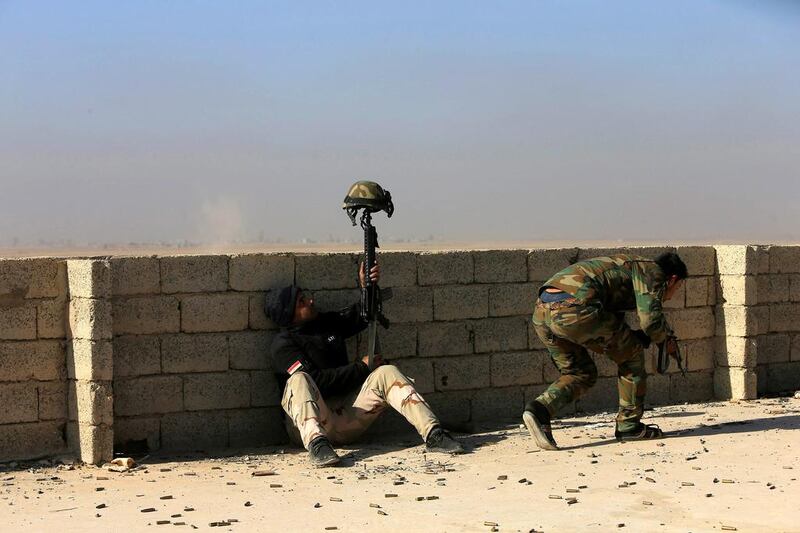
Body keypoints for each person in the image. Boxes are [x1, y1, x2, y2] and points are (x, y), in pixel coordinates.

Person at [267, 262, 464, 467]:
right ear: (289, 314)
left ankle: (433, 433)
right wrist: (361, 368)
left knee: (387, 372)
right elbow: (318, 382)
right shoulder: (283, 346)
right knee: (299, 380)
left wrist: (367, 287)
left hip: (346, 418)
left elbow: (361, 316)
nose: (310, 300)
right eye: (301, 301)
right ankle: (318, 447)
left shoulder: (324, 324)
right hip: (308, 427)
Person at [523, 252, 688, 450]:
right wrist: (664, 340)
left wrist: (640, 337)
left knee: (581, 373)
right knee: (632, 356)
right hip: (575, 309)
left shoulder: (626, 269)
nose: (673, 294)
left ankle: (539, 410)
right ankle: (629, 426)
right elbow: (650, 321)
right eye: (678, 288)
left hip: (543, 311)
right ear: (673, 279)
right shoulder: (652, 272)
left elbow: (614, 321)